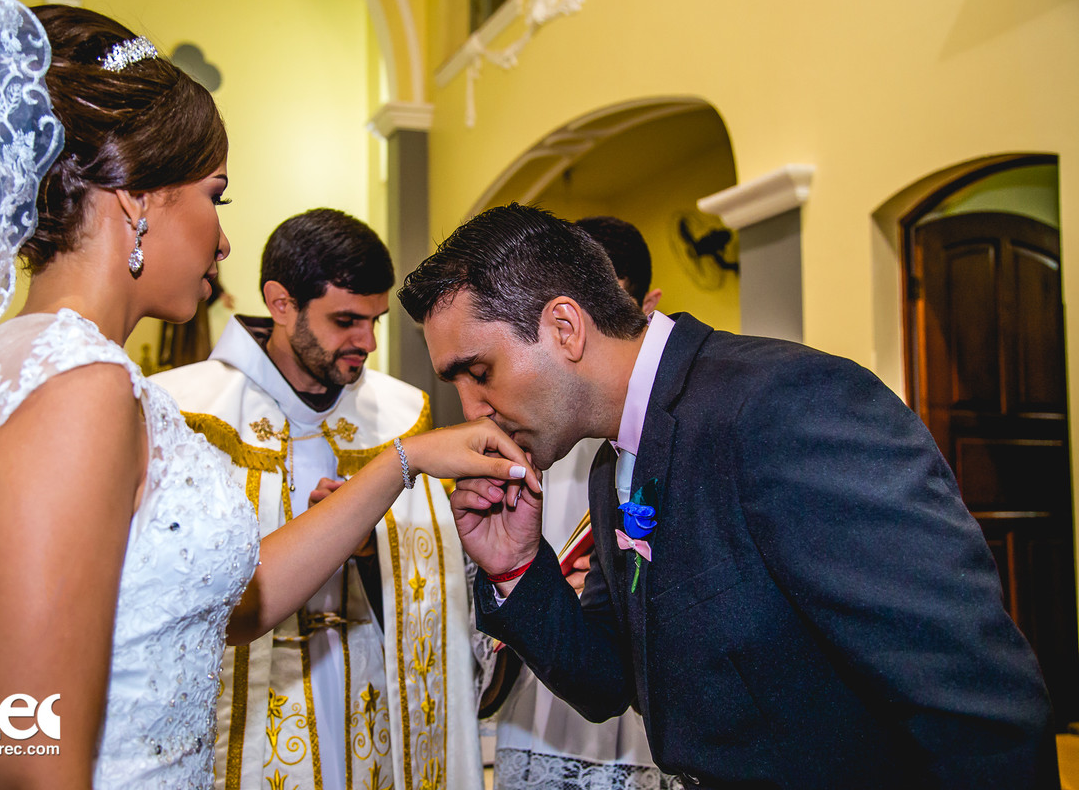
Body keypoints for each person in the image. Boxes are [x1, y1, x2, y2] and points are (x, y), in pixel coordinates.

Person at [0, 0, 536, 789]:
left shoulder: (29, 362)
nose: (223, 239)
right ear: (135, 199)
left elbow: (233, 605)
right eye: (214, 193)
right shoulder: (74, 389)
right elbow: (21, 756)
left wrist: (405, 458)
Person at [397, 203, 1059, 788]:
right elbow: (607, 684)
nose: (473, 410)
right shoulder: (613, 461)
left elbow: (975, 704)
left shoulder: (789, 407)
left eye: (478, 372)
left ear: (566, 328)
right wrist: (516, 565)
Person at [153, 208, 485, 790]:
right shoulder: (188, 412)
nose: (367, 343)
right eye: (346, 320)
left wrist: (363, 550)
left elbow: (434, 588)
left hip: (368, 692)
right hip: (255, 708)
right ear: (281, 303)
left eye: (376, 321)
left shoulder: (401, 415)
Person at [484, 215, 678, 789]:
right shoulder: (528, 428)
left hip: (652, 708)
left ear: (647, 303)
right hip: (549, 696)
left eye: (609, 301)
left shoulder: (669, 428)